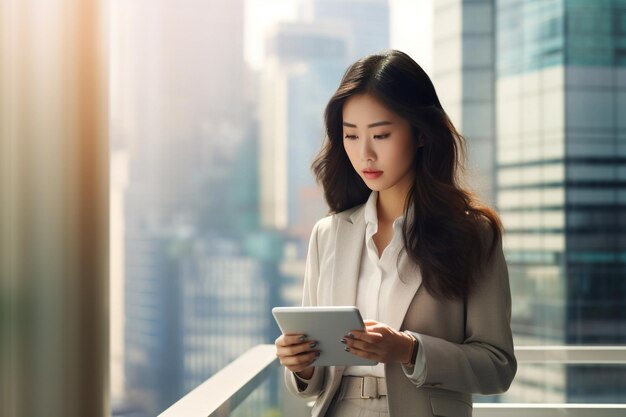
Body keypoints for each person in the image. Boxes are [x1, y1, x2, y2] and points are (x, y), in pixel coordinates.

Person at [274, 49, 516, 417]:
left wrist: (409, 349)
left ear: (420, 134)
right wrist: (301, 363)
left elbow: (497, 367)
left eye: (381, 135)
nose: (364, 154)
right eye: (351, 136)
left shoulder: (472, 234)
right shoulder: (329, 233)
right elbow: (315, 382)